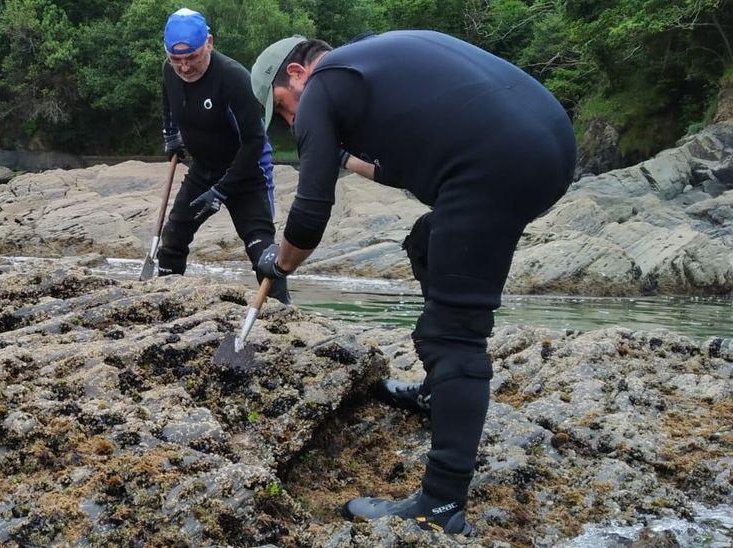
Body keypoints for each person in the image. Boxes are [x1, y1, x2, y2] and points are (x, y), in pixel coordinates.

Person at [248, 31, 575, 533]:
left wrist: (279, 262)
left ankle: (441, 505)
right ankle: (436, 393)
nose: (291, 122)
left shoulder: (322, 87)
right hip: (548, 141)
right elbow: (405, 168)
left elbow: (310, 213)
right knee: (428, 242)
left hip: (495, 162)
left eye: (284, 111)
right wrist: (340, 157)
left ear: (296, 75)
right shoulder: (372, 69)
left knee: (453, 335)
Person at [157, 8, 289, 304]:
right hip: (203, 170)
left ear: (210, 43)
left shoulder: (232, 78)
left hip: (247, 174)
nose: (184, 67)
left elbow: (255, 141)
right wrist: (171, 135)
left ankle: (284, 318)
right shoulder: (170, 71)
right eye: (176, 59)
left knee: (263, 254)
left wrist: (222, 190)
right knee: (173, 239)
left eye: (191, 57)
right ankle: (166, 301)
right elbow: (168, 101)